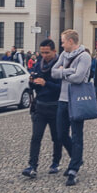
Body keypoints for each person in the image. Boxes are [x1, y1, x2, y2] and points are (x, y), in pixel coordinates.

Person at [22, 38, 69, 178]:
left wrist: (45, 83)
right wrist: (32, 83)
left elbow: (61, 88)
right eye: (42, 52)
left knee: (57, 137)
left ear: (54, 51)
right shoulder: (38, 65)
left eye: (47, 52)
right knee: (36, 137)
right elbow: (35, 87)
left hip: (55, 106)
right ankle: (32, 166)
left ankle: (55, 163)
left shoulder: (60, 66)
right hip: (40, 106)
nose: (44, 55)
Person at [51, 29, 92, 187]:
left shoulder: (85, 56)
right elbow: (53, 73)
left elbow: (79, 78)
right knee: (60, 134)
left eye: (62, 41)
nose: (61, 45)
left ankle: (74, 168)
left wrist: (63, 72)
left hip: (76, 100)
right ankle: (77, 158)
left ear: (70, 41)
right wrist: (68, 72)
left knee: (76, 136)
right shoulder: (63, 55)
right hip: (62, 99)